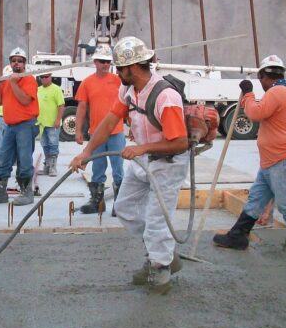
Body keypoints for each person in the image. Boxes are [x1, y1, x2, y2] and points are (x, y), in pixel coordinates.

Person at [70, 36, 188, 295]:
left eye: (119, 68)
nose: (116, 73)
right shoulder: (127, 91)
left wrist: (143, 148)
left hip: (167, 163)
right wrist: (86, 153)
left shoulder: (165, 96)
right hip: (143, 158)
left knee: (157, 220)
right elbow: (110, 121)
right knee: (124, 208)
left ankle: (160, 273)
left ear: (132, 68)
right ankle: (164, 253)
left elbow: (180, 142)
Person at [213, 55, 286, 251]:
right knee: (256, 198)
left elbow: (255, 113)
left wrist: (248, 93)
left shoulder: (277, 92)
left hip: (283, 158)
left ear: (264, 76)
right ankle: (238, 235)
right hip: (274, 160)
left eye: (260, 79)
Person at [74, 44, 125, 215]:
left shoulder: (118, 81)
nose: (105, 64)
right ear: (94, 62)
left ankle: (120, 204)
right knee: (97, 169)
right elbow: (81, 108)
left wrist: (132, 125)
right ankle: (97, 202)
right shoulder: (87, 83)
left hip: (116, 132)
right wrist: (78, 131)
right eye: (102, 61)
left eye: (108, 62)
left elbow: (128, 103)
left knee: (118, 169)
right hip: (96, 134)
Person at [0, 48, 39, 206]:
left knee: (24, 159)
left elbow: (25, 100)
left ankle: (26, 192)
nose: (16, 63)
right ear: (10, 63)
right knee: (4, 158)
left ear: (24, 64)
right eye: (13, 60)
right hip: (10, 125)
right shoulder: (7, 81)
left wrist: (14, 83)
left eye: (20, 61)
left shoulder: (28, 80)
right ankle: (0, 192)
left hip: (25, 125)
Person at [36, 70, 64, 177]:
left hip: (53, 124)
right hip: (42, 124)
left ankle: (53, 167)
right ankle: (47, 167)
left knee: (53, 145)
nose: (44, 79)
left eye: (46, 76)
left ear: (50, 77)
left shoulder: (56, 89)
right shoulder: (38, 90)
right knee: (45, 145)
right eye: (42, 77)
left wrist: (58, 119)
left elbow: (61, 105)